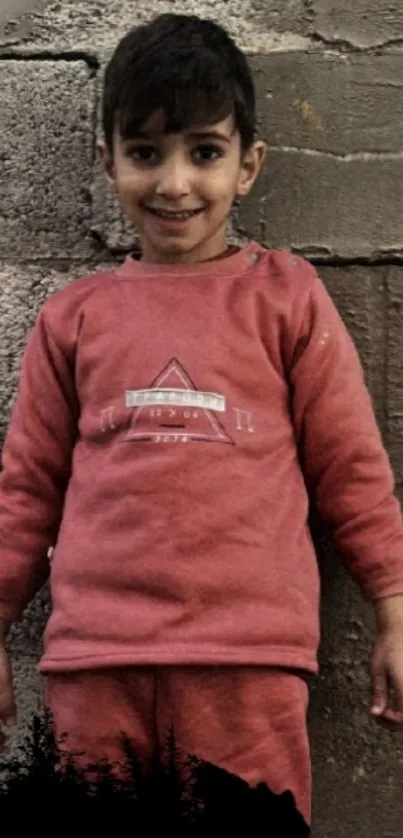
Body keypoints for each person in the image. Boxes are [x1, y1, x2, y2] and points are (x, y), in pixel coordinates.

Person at [0, 10, 403, 830]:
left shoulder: (285, 299)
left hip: (244, 665)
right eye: (146, 153)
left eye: (204, 153)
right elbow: (26, 492)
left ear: (248, 165)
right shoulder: (73, 318)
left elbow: (350, 473)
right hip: (95, 666)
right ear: (106, 161)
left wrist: (394, 605)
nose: (175, 183)